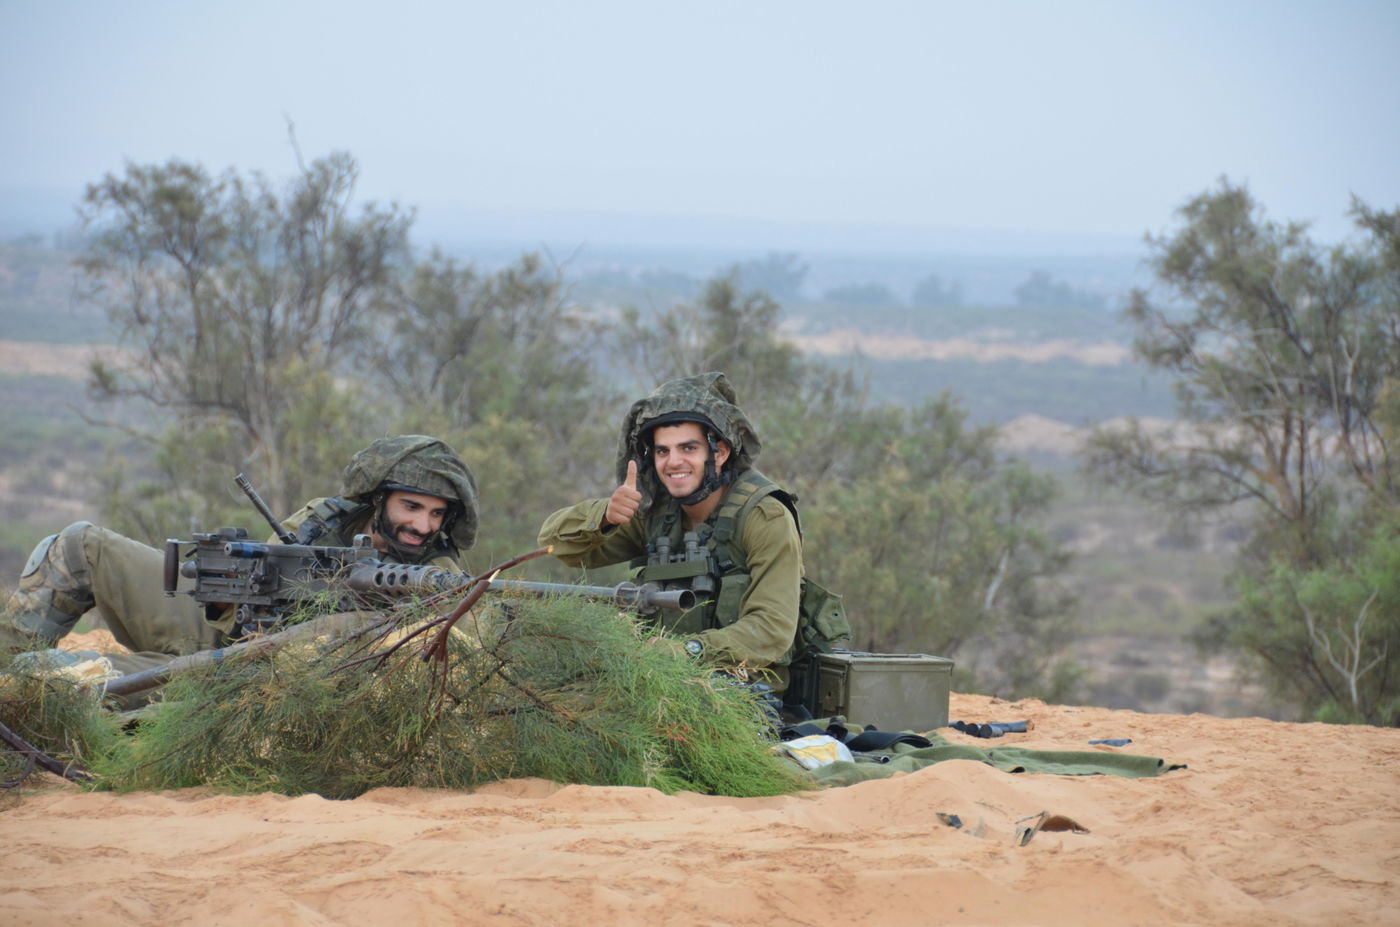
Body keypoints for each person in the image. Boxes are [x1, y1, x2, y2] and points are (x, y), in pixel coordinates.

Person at [1, 435, 479, 677]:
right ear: (378, 500)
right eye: (411, 507)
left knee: (70, 680)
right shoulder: (326, 519)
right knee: (77, 544)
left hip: (243, 674)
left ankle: (20, 695)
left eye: (437, 514)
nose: (422, 526)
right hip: (217, 626)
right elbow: (257, 579)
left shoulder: (437, 576)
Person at [538, 372, 824, 697]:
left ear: (719, 453)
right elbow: (553, 545)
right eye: (662, 451)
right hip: (656, 684)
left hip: (742, 697)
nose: (673, 462)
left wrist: (688, 650)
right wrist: (604, 516)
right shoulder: (657, 512)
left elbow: (771, 629)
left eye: (688, 448)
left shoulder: (764, 516)